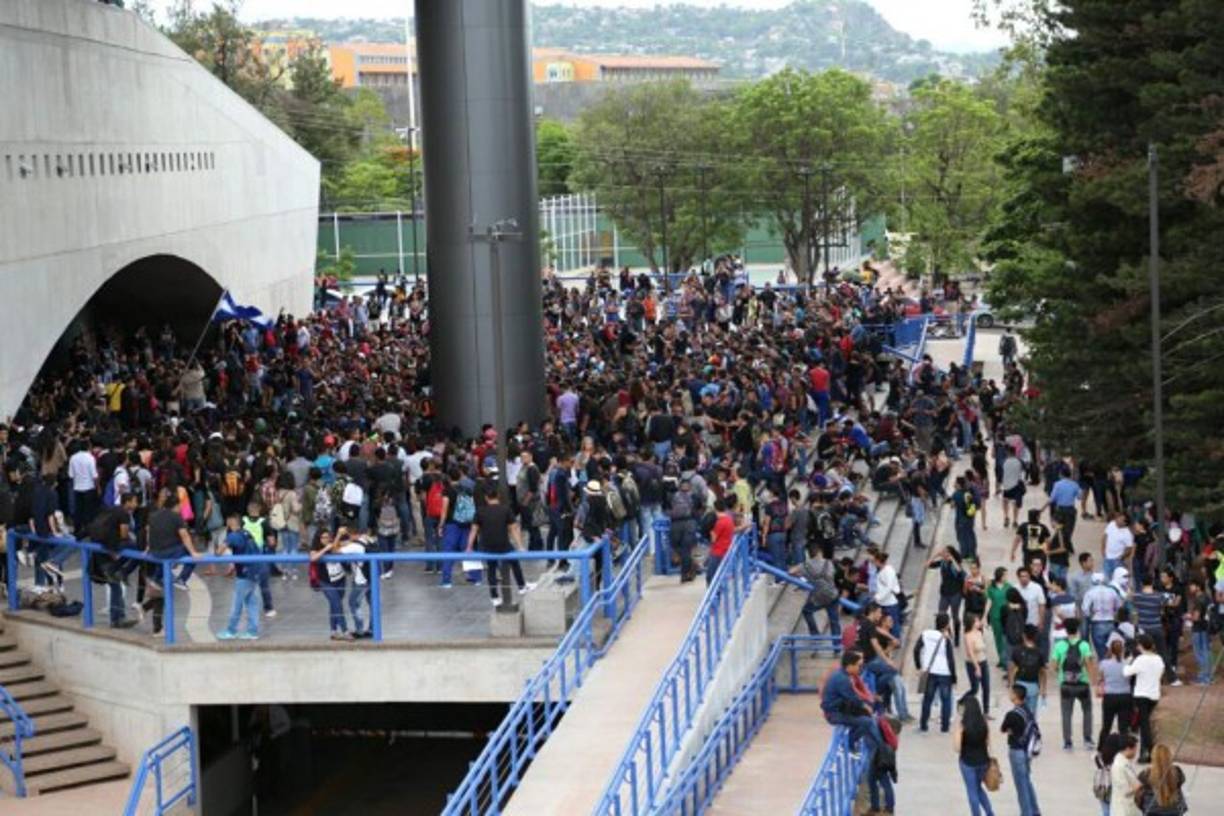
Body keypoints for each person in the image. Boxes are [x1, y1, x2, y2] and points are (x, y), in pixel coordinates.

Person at [467, 483, 533, 608]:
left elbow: (474, 530)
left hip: (487, 545)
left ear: (486, 497)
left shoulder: (480, 511)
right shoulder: (505, 509)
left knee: (491, 569)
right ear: (498, 495)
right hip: (503, 544)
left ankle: (494, 596)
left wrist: (469, 547)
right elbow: (513, 529)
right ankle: (521, 585)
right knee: (514, 562)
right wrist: (520, 546)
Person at [820, 650, 883, 752]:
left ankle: (876, 747)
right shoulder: (842, 679)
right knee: (868, 722)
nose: (860, 669)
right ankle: (854, 744)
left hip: (840, 708)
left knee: (870, 713)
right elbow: (853, 698)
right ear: (850, 665)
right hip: (834, 713)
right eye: (858, 666)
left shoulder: (842, 674)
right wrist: (865, 706)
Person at [216, 513, 264, 641]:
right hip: (254, 571)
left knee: (237, 602)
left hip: (244, 573)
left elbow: (219, 552)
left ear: (231, 522)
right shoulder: (246, 533)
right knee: (251, 602)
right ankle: (253, 631)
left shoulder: (233, 536)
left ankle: (231, 630)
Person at [1052, 618, 1096, 750]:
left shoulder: (1060, 645)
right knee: (1087, 711)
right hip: (1082, 683)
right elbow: (1089, 664)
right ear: (1077, 629)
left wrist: (1060, 671)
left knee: (1066, 713)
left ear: (1065, 630)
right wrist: (1092, 680)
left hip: (1066, 684)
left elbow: (1053, 666)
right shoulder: (1084, 645)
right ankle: (1087, 739)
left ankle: (1068, 742)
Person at [1001, 684, 1042, 816]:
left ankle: (1026, 812)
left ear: (1015, 696)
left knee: (1021, 786)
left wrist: (1010, 730)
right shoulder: (1028, 710)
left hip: (1016, 751)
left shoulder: (1012, 714)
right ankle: (1035, 811)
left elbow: (1003, 729)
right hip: (1027, 751)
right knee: (1027, 781)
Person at [1123, 633, 1164, 763]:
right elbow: (1160, 673)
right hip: (1154, 695)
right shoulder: (1158, 659)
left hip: (1142, 695)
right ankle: (1144, 754)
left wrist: (1127, 662)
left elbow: (1127, 672)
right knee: (1143, 723)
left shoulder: (1140, 659)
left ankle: (1151, 751)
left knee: (1144, 724)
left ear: (1141, 646)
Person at [915, 612, 958, 733]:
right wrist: (954, 677)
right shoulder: (946, 639)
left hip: (930, 672)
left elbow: (916, 649)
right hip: (945, 673)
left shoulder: (925, 634)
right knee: (946, 700)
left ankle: (923, 725)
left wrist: (919, 666)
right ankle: (944, 727)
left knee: (927, 699)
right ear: (946, 625)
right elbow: (950, 660)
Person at [954, 693, 995, 816]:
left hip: (968, 762)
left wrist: (958, 731)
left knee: (972, 792)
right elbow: (988, 742)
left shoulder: (963, 725)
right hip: (983, 761)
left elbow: (957, 748)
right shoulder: (984, 723)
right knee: (978, 788)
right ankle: (990, 813)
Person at [309, 529, 351, 641]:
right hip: (325, 581)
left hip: (340, 579)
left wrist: (338, 536)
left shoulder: (333, 545)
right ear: (318, 539)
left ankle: (333, 631)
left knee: (334, 605)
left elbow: (337, 547)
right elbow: (313, 558)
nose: (326, 539)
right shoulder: (316, 548)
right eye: (323, 537)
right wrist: (325, 549)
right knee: (337, 604)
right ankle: (345, 630)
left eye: (327, 537)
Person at [926, 546, 966, 646]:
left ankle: (957, 637)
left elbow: (960, 571)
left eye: (945, 552)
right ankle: (947, 631)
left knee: (955, 616)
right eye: (943, 552)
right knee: (941, 613)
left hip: (955, 593)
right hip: (944, 593)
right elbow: (927, 565)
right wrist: (935, 555)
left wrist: (952, 559)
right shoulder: (942, 563)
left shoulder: (955, 564)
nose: (943, 554)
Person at [1098, 639, 1134, 746]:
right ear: (1122, 650)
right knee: (1123, 727)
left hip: (1110, 696)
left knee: (1106, 725)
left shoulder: (1104, 663)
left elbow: (1100, 678)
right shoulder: (1127, 664)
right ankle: (1123, 748)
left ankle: (1101, 748)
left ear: (1110, 650)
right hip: (1125, 696)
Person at [1136, 743, 1186, 816]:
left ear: (1153, 757)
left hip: (1152, 810)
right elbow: (1181, 782)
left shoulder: (1146, 774)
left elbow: (1138, 791)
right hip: (1175, 810)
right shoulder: (1177, 771)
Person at [1008, 624, 1047, 718]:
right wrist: (1043, 689)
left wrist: (1011, 685)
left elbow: (1011, 668)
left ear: (1023, 635)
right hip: (1033, 685)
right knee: (1031, 714)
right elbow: (1042, 672)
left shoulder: (1017, 650)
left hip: (1019, 686)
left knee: (1019, 713)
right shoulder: (1040, 652)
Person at [1186, 578, 1213, 686]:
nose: (1190, 588)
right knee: (1206, 652)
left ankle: (1203, 678)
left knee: (1199, 653)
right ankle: (1208, 677)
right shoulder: (1207, 597)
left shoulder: (1198, 600)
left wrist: (1188, 617)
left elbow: (1196, 617)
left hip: (1198, 629)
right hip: (1206, 627)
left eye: (1192, 585)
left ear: (1198, 586)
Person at [985, 567, 1013, 670]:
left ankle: (1006, 660)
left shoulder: (1009, 586)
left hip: (1007, 616)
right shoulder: (991, 588)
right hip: (995, 616)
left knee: (1006, 638)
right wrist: (985, 616)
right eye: (1005, 575)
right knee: (998, 638)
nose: (1006, 577)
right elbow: (989, 601)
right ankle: (1001, 659)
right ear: (1000, 576)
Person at [964, 612, 991, 715]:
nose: (979, 622)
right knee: (975, 688)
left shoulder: (979, 633)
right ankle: (963, 701)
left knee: (986, 687)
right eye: (977, 621)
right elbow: (970, 653)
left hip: (983, 661)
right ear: (971, 623)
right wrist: (977, 667)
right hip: (973, 664)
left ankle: (986, 712)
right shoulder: (968, 636)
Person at [1110, 734, 1141, 816]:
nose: (1136, 753)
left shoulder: (1126, 763)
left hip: (1129, 808)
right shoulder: (1119, 766)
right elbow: (1125, 790)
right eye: (1135, 750)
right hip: (1123, 810)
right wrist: (1140, 786)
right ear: (1128, 748)